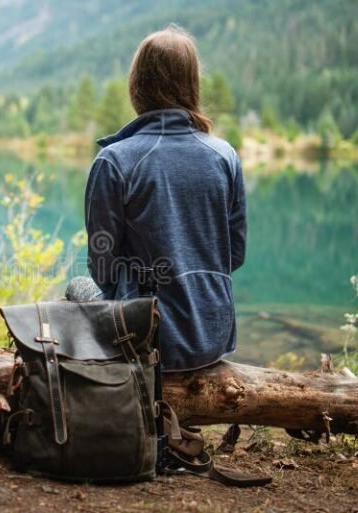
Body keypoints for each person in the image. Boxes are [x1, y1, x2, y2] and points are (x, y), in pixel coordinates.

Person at [83, 26, 247, 371]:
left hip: (144, 340)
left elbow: (102, 266)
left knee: (77, 288)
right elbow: (234, 254)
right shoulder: (224, 156)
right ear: (192, 86)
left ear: (137, 84)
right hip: (214, 339)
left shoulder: (115, 161)